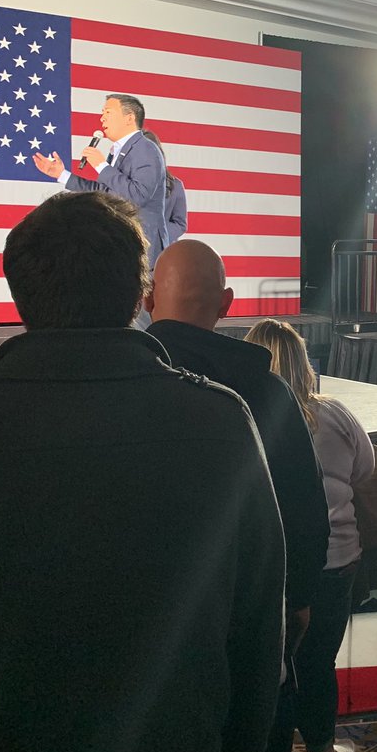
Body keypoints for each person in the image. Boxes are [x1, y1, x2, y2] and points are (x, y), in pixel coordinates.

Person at [0, 191, 285, 752]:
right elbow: (258, 614)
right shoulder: (221, 425)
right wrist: (243, 748)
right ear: (138, 295)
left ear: (19, 294)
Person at [144, 238, 329, 674]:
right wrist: (297, 600)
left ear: (148, 301)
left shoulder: (120, 388)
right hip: (247, 627)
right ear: (226, 304)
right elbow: (303, 508)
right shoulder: (268, 392)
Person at [246, 320, 373, 752]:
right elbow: (366, 469)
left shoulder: (242, 417)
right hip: (335, 563)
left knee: (268, 671)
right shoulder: (335, 414)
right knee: (318, 664)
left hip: (271, 567)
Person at [32, 93, 169, 267]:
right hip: (122, 242)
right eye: (102, 113)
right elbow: (106, 193)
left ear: (129, 118)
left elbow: (137, 196)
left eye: (108, 112)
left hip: (144, 247)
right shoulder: (118, 150)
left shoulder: (145, 148)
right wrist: (62, 174)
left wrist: (101, 166)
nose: (102, 118)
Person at [142, 128, 188, 244]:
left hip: (160, 249)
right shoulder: (122, 183)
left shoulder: (176, 186)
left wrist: (157, 233)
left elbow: (180, 224)